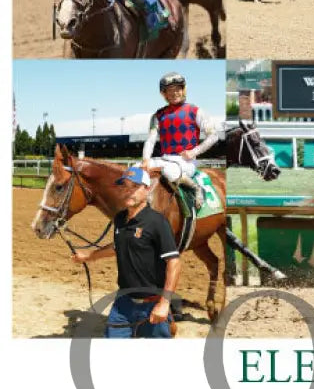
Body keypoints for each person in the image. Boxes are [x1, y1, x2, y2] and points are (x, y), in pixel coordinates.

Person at [71, 166, 180, 339]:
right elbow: (118, 245)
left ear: (147, 188)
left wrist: (164, 303)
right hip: (123, 304)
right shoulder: (120, 219)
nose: (129, 192)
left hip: (152, 303)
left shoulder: (157, 222)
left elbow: (173, 262)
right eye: (125, 186)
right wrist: (89, 256)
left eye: (135, 187)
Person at [142, 73, 220, 220]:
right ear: (163, 94)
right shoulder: (158, 115)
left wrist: (194, 152)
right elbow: (150, 140)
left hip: (186, 162)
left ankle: (196, 188)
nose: (174, 93)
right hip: (165, 159)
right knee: (135, 169)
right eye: (169, 91)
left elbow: (214, 135)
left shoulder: (196, 111)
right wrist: (145, 159)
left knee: (169, 171)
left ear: (184, 90)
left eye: (177, 89)